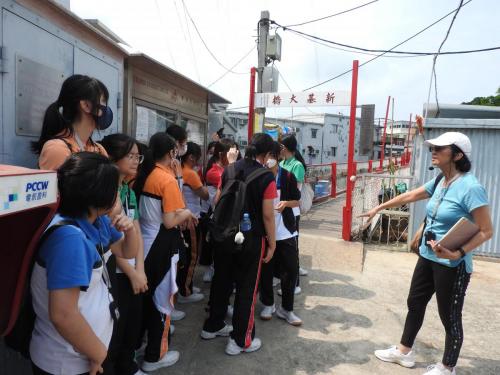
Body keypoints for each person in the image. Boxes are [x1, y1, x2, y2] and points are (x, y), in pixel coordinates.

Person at [361, 132, 493, 375]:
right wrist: (379, 207)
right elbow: (413, 196)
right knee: (415, 302)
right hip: (428, 256)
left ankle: (447, 366)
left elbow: (486, 230)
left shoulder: (471, 187)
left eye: (439, 149)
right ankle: (404, 351)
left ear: (457, 154)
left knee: (449, 316)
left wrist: (459, 252)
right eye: (432, 148)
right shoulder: (441, 181)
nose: (433, 152)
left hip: (453, 264)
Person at [30, 152, 138, 375]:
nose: (118, 193)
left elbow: (127, 251)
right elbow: (63, 315)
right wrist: (98, 354)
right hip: (69, 362)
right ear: (98, 196)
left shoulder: (95, 220)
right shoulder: (70, 239)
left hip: (85, 354)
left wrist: (130, 228)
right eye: (114, 189)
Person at [201, 133, 277, 356]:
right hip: (250, 239)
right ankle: (240, 340)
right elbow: (268, 216)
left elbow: (217, 200)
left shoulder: (229, 169)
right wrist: (272, 243)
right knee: (246, 288)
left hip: (224, 234)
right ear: (268, 155)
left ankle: (212, 325)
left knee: (222, 279)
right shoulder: (266, 177)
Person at [133, 132, 197, 372]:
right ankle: (155, 355)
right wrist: (188, 213)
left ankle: (140, 345)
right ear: (171, 152)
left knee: (147, 299)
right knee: (162, 300)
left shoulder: (147, 173)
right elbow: (170, 221)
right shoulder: (166, 179)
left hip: (145, 243)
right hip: (161, 243)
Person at [99, 134, 148, 375]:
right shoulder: (105, 196)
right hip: (114, 273)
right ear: (111, 157)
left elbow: (135, 229)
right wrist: (131, 272)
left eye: (137, 156)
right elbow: (107, 243)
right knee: (115, 329)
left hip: (131, 268)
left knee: (132, 323)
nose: (136, 161)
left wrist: (140, 268)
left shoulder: (128, 192)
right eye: (130, 156)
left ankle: (128, 366)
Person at [259, 142, 302, 326]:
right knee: (266, 270)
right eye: (265, 156)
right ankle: (268, 304)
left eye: (271, 156)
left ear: (277, 157)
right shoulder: (260, 176)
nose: (268, 160)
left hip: (285, 230)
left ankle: (287, 309)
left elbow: (297, 202)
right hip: (265, 230)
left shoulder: (288, 176)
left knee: (290, 270)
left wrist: (285, 203)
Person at [32, 75, 113, 170]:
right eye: (103, 101)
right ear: (86, 105)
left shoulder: (98, 149)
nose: (106, 109)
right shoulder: (57, 149)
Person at [200, 139, 238, 282]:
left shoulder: (226, 169)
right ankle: (210, 270)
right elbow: (233, 182)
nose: (235, 154)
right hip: (214, 215)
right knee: (213, 248)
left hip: (224, 215)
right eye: (232, 152)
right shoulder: (214, 172)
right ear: (222, 154)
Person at [177, 141, 209, 303]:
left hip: (181, 218)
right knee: (192, 256)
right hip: (191, 220)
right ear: (190, 157)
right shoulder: (190, 173)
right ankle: (185, 291)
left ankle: (185, 285)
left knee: (185, 256)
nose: (198, 161)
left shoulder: (178, 170)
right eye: (197, 158)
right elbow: (205, 195)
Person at [280, 134, 308, 295]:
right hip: (282, 209)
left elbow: (295, 191)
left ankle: (295, 283)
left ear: (285, 148)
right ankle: (284, 278)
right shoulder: (282, 162)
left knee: (293, 248)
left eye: (281, 146)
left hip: (292, 209)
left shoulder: (297, 165)